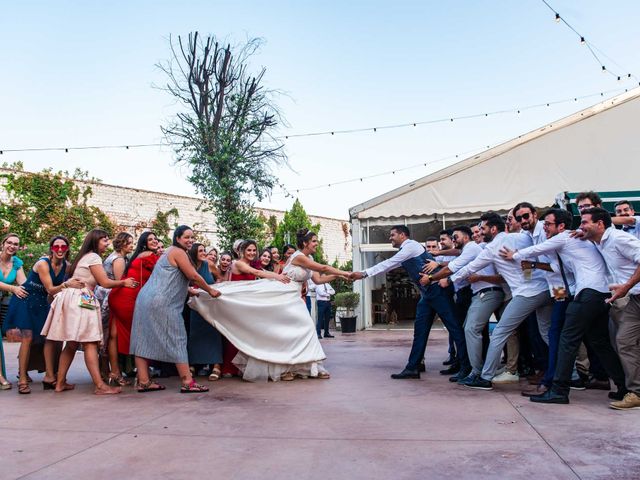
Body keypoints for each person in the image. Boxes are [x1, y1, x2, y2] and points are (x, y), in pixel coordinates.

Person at [501, 208, 627, 405]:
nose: (545, 227)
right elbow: (558, 268)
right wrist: (534, 266)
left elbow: (537, 250)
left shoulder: (564, 237)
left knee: (566, 339)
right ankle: (623, 387)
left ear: (560, 226)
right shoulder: (573, 240)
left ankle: (559, 390)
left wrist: (515, 255)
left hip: (587, 293)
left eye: (548, 224)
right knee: (599, 342)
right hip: (597, 293)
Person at [190, 229, 350, 382]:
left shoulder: (310, 260)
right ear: (306, 243)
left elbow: (319, 279)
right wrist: (345, 273)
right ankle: (288, 367)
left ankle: (304, 366)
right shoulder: (298, 257)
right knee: (296, 327)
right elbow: (323, 268)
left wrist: (341, 276)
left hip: (294, 297)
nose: (317, 244)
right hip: (284, 293)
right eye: (314, 241)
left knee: (297, 330)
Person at [436, 212, 552, 391]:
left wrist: (451, 280)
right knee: (547, 334)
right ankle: (572, 374)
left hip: (527, 293)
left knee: (499, 333)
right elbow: (540, 248)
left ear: (493, 228)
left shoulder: (492, 248)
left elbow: (470, 268)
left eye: (482, 228)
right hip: (545, 289)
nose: (480, 232)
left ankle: (485, 377)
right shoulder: (520, 238)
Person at [351, 225, 470, 380]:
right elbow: (391, 265)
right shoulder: (406, 251)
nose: (390, 238)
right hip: (428, 294)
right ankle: (413, 367)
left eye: (392, 235)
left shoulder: (411, 247)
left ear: (402, 235)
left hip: (437, 291)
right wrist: (366, 274)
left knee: (454, 328)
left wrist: (364, 273)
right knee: (420, 330)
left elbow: (389, 263)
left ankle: (466, 368)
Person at [41, 229, 138, 395]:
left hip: (71, 298)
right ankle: (100, 386)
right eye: (104, 240)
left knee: (71, 344)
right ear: (95, 241)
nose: (107, 243)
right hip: (82, 299)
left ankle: (60, 383)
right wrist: (124, 282)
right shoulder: (93, 257)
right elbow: (105, 282)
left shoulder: (83, 256)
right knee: (90, 343)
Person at [130, 226, 221, 393]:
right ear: (177, 238)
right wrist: (210, 290)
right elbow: (193, 275)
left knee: (142, 339)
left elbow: (169, 278)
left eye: (192, 237)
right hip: (162, 302)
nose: (190, 240)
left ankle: (143, 381)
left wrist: (189, 290)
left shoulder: (168, 252)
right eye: (187, 237)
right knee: (178, 337)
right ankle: (188, 381)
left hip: (145, 299)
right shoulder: (179, 253)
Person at [575, 208, 640, 410]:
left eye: (585, 222)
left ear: (601, 224)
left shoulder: (619, 239)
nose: (581, 226)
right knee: (624, 342)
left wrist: (626, 286)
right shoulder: (600, 242)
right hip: (633, 299)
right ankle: (636, 393)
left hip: (631, 293)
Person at [421, 225, 504, 383]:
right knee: (470, 330)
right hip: (481, 293)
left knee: (472, 330)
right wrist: (438, 253)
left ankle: (478, 372)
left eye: (456, 237)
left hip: (487, 292)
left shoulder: (471, 248)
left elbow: (453, 268)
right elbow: (455, 254)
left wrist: (433, 278)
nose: (453, 240)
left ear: (466, 238)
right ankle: (476, 369)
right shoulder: (468, 249)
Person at [3, 236, 84, 394]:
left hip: (42, 303)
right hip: (26, 299)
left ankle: (49, 376)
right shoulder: (42, 263)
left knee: (48, 338)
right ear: (51, 249)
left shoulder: (66, 266)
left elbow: (60, 289)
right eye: (56, 247)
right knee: (27, 337)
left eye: (63, 247)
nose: (59, 249)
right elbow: (51, 289)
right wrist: (67, 284)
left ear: (67, 249)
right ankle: (22, 380)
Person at [221, 240, 292, 378]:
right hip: (237, 305)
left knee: (245, 336)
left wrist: (280, 277)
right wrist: (277, 276)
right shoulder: (238, 263)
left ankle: (238, 368)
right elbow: (253, 272)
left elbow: (261, 273)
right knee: (236, 336)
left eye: (254, 250)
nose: (252, 253)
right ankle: (228, 368)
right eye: (249, 250)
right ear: (241, 251)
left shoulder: (249, 264)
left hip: (246, 305)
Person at [108, 231, 160, 378]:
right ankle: (143, 375)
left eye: (155, 239)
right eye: (150, 239)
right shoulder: (150, 256)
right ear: (144, 242)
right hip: (128, 299)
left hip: (118, 297)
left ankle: (115, 372)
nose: (154, 241)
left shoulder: (137, 256)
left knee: (114, 335)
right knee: (141, 334)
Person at [94, 231, 134, 385]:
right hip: (110, 297)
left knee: (108, 335)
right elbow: (120, 282)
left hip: (104, 295)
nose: (131, 245)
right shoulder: (119, 259)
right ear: (122, 243)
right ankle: (112, 372)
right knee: (110, 335)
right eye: (129, 243)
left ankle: (106, 371)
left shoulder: (113, 256)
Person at [187, 243, 224, 381]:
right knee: (194, 334)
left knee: (213, 333)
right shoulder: (188, 266)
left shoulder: (209, 264)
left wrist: (215, 288)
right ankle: (193, 364)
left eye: (204, 250)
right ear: (193, 252)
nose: (204, 253)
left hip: (210, 304)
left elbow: (220, 278)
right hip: (194, 306)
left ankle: (216, 365)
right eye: (200, 251)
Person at [0, 233, 28, 390]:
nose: (12, 246)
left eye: (15, 244)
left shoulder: (16, 263)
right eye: (9, 242)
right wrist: (13, 288)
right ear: (3, 243)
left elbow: (23, 283)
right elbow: (15, 287)